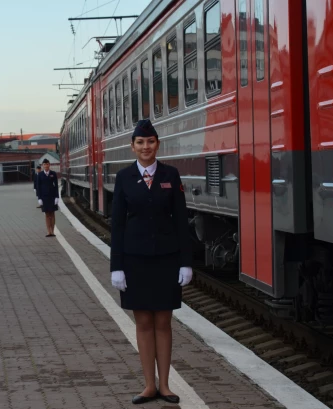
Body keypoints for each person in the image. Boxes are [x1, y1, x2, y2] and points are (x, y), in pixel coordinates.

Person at [110, 119, 193, 405]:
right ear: (132, 146)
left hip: (167, 260)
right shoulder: (123, 178)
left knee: (164, 323)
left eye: (151, 141)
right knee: (143, 323)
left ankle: (166, 386)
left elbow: (182, 221)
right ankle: (148, 386)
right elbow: (117, 225)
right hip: (135, 260)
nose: (146, 147)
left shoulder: (171, 174)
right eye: (140, 142)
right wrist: (116, 266)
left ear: (158, 144)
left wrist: (186, 262)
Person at [36, 159, 59, 237]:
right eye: (44, 164)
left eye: (47, 164)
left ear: (49, 165)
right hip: (44, 197)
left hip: (52, 196)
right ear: (42, 165)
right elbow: (38, 187)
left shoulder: (53, 174)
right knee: (47, 214)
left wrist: (57, 197)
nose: (46, 166)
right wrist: (39, 198)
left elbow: (56, 186)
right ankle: (48, 231)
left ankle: (52, 231)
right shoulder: (40, 175)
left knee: (52, 214)